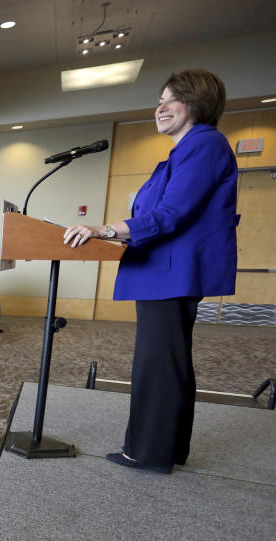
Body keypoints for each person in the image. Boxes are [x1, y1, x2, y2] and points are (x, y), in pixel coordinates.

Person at [64, 69, 237, 474]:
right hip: (165, 269)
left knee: (158, 364)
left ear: (197, 102)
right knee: (169, 362)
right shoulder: (185, 151)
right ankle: (168, 448)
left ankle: (147, 452)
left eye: (170, 99)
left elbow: (172, 213)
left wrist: (104, 229)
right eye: (158, 101)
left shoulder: (204, 144)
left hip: (170, 272)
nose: (160, 108)